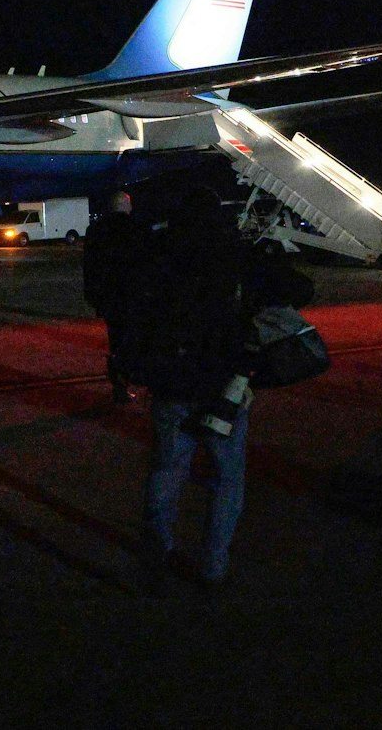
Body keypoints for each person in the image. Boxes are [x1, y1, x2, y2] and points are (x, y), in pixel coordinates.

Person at [135, 186, 252, 590]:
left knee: (168, 470)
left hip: (174, 379)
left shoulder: (160, 254)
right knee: (228, 477)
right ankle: (214, 564)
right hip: (223, 383)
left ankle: (158, 551)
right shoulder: (231, 253)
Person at [83, 192, 143, 404]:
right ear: (126, 205)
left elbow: (89, 266)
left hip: (108, 296)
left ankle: (119, 384)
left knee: (116, 339)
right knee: (132, 340)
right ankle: (127, 380)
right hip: (132, 295)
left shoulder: (96, 230)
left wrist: (93, 294)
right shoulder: (135, 228)